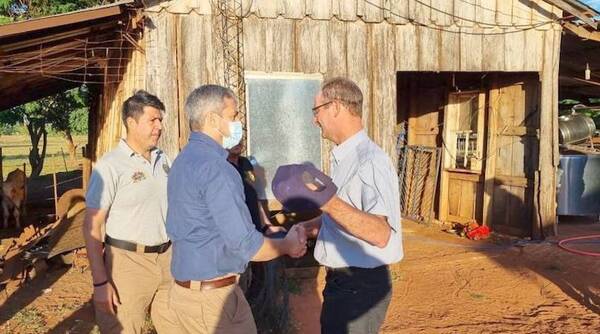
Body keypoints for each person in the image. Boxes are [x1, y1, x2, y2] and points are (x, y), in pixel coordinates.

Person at [166, 84, 307, 334]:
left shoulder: (183, 160)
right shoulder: (218, 169)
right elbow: (246, 246)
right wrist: (288, 244)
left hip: (184, 295)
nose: (239, 122)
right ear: (212, 119)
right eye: (233, 116)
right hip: (214, 302)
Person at [276, 77, 404, 334]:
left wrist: (327, 201)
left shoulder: (371, 161)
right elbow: (347, 217)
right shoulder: (344, 158)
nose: (315, 119)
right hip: (343, 283)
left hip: (358, 285)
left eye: (317, 110)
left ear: (335, 107)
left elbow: (381, 233)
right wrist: (307, 226)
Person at [83, 90, 181, 333]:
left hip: (167, 259)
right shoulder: (110, 166)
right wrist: (100, 281)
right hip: (128, 265)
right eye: (152, 120)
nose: (159, 126)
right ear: (131, 122)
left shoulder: (163, 159)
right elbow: (92, 226)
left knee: (177, 326)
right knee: (125, 328)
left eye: (160, 120)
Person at [226, 143, 286, 236]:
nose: (237, 143)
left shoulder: (245, 162)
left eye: (239, 139)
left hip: (256, 230)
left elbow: (252, 196)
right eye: (233, 140)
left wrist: (267, 226)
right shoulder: (221, 166)